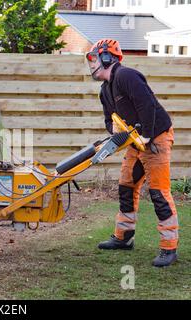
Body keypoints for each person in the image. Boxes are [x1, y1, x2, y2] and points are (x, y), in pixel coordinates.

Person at [85, 39, 179, 267]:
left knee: (158, 193)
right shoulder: (105, 90)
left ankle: (169, 248)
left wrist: (146, 134)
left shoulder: (127, 76)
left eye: (94, 59)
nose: (91, 65)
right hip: (135, 143)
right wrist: (115, 132)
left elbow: (147, 105)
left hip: (155, 138)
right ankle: (124, 238)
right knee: (126, 186)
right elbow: (110, 120)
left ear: (107, 58)